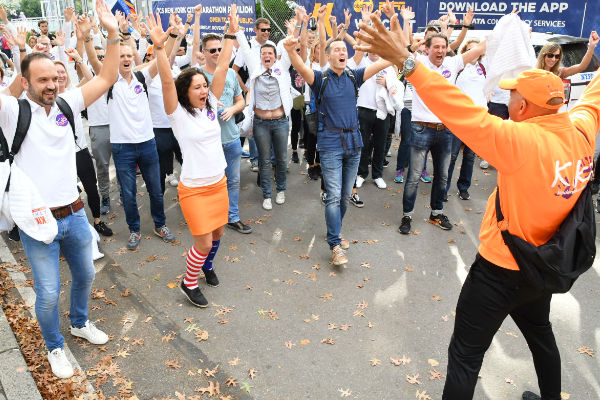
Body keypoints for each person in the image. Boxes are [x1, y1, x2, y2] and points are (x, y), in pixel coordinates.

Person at [354, 12, 600, 400]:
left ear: (524, 107)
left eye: (514, 92)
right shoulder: (582, 128)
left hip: (500, 271)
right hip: (542, 265)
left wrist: (407, 61)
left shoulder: (519, 142)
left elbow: (455, 107)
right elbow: (596, 94)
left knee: (466, 356)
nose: (509, 95)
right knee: (542, 339)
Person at [0, 0, 120, 379]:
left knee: (86, 276)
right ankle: (54, 346)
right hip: (38, 223)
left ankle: (79, 322)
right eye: (42, 80)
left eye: (54, 78)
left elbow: (105, 79)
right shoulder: (11, 111)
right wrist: (14, 42)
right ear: (25, 82)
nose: (51, 85)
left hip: (75, 215)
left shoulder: (67, 103)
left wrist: (113, 35)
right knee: (48, 293)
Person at [283, 4, 392, 265]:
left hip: (354, 143)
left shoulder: (355, 76)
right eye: (337, 50)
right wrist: (290, 50)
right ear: (329, 57)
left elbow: (385, 62)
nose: (342, 52)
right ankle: (334, 244)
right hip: (330, 144)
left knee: (344, 196)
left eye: (344, 49)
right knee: (332, 195)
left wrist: (399, 50)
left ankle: (335, 232)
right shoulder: (320, 78)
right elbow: (300, 66)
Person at [143, 7, 237, 307]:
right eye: (197, 86)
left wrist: (231, 34)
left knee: (218, 233)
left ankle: (207, 265)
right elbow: (168, 82)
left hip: (218, 183)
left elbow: (221, 68)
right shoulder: (178, 115)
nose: (203, 89)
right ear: (186, 92)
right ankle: (189, 282)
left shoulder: (209, 106)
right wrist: (160, 47)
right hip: (195, 189)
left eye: (204, 86)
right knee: (204, 240)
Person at [397, 32, 485, 235]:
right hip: (420, 128)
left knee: (443, 176)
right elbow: (401, 54)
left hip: (445, 131)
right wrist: (409, 41)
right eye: (436, 47)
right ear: (427, 49)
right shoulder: (418, 63)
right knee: (414, 176)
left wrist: (507, 27)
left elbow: (479, 49)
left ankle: (436, 213)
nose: (440, 50)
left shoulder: (453, 64)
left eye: (443, 47)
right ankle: (407, 215)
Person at [106, 29, 176, 250]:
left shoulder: (141, 76)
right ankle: (134, 230)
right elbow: (93, 60)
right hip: (122, 148)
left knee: (156, 188)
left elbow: (161, 60)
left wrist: (165, 41)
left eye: (128, 56)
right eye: (121, 56)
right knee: (128, 193)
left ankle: (160, 224)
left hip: (148, 143)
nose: (126, 59)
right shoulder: (107, 81)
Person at [198, 32, 252, 234]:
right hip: (208, 142)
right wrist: (207, 105)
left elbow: (241, 101)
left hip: (231, 138)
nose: (217, 53)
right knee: (210, 182)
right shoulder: (197, 74)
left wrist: (232, 109)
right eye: (212, 50)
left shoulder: (230, 74)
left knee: (233, 179)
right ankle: (209, 218)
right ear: (204, 52)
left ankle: (232, 217)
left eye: (220, 49)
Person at [235, 23, 293, 211]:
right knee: (264, 160)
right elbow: (244, 47)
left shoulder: (282, 69)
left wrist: (297, 28)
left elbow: (292, 47)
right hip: (260, 123)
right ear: (260, 57)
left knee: (282, 159)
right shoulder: (255, 68)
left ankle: (281, 190)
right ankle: (267, 194)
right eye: (264, 53)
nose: (267, 56)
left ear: (275, 57)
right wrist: (237, 29)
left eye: (271, 54)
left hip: (280, 122)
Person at [54, 54, 112, 237]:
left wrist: (79, 59)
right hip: (60, 156)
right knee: (66, 191)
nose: (61, 75)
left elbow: (92, 79)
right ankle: (72, 227)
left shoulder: (73, 93)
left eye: (63, 71)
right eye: (56, 73)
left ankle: (97, 221)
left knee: (91, 187)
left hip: (80, 151)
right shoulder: (45, 99)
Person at [444, 39, 487, 201]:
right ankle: (444, 188)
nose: (474, 52)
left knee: (469, 157)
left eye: (477, 49)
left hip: (477, 119)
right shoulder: (459, 68)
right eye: (470, 49)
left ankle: (463, 188)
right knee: (452, 156)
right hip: (459, 118)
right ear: (465, 51)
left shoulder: (483, 68)